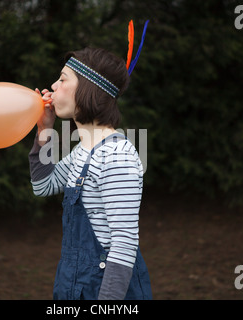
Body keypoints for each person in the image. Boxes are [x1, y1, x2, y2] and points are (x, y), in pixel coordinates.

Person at [28, 47, 152, 300]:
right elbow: (43, 185)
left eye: (63, 79)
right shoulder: (83, 150)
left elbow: (124, 244)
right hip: (74, 286)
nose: (53, 85)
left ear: (88, 89)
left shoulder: (117, 155)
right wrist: (44, 130)